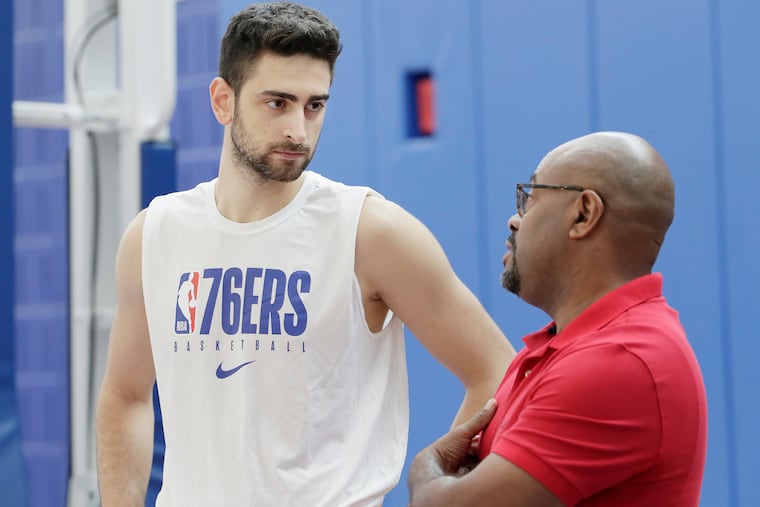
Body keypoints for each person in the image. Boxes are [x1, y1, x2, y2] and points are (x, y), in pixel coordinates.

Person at [95, 2, 513, 506]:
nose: (299, 129)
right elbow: (125, 395)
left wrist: (444, 490)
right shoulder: (154, 234)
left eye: (314, 105)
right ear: (222, 101)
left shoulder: (370, 231)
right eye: (278, 103)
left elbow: (495, 372)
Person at [407, 131, 708, 506]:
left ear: (584, 214)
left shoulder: (620, 360)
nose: (514, 220)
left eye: (529, 199)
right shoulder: (559, 350)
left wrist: (426, 466)